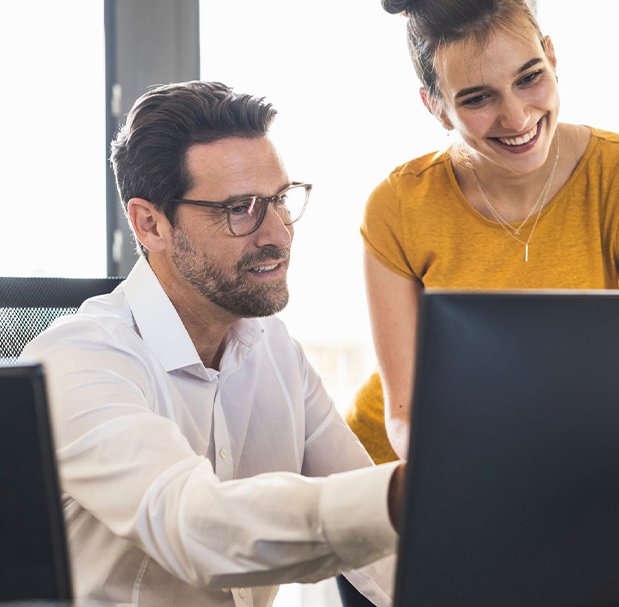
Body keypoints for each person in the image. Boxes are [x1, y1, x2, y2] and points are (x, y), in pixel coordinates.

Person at [21, 81, 403, 606]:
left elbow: (383, 549)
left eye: (280, 200)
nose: (279, 233)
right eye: (240, 209)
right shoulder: (77, 362)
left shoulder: (274, 350)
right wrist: (402, 497)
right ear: (150, 224)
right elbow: (193, 528)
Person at [345, 0, 619, 464]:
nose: (517, 116)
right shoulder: (397, 206)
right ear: (436, 108)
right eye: (478, 98)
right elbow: (406, 413)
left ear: (550, 55)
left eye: (529, 78)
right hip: (412, 463)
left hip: (564, 452)